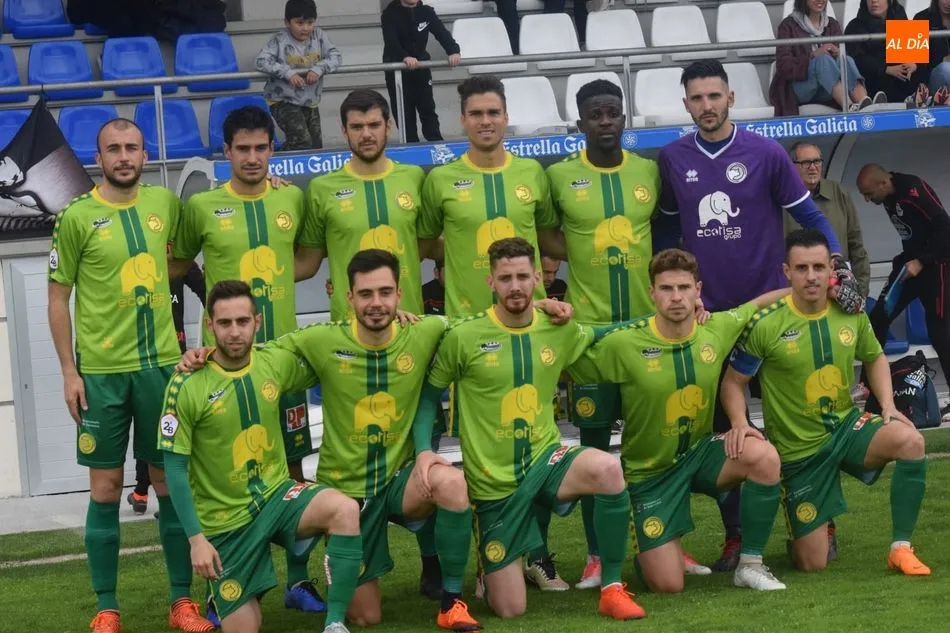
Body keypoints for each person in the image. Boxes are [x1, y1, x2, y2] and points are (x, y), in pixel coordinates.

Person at [655, 59, 855, 573]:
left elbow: (809, 215)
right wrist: (678, 290)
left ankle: (817, 520)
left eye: (714, 96)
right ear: (686, 104)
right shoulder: (672, 158)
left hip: (773, 314)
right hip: (711, 321)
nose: (706, 106)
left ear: (730, 98)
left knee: (802, 422)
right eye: (697, 98)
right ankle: (737, 536)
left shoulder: (765, 153)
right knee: (728, 434)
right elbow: (666, 233)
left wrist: (836, 264)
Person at [412, 237, 646, 621]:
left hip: (545, 459)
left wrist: (666, 320)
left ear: (538, 278)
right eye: (505, 278)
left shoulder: (557, 328)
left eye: (523, 277)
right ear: (491, 282)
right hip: (494, 484)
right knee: (510, 609)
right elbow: (427, 397)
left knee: (608, 468)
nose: (515, 286)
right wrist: (424, 449)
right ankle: (491, 569)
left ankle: (612, 588)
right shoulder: (464, 336)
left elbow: (604, 332)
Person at [47, 118, 214, 633]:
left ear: (145, 154)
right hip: (100, 375)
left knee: (168, 483)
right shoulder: (76, 216)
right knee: (105, 488)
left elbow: (197, 246)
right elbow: (57, 298)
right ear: (98, 158)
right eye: (114, 148)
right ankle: (106, 608)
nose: (124, 156)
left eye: (132, 148)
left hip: (161, 368)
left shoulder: (165, 205)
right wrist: (69, 371)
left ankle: (181, 602)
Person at [545, 79, 711, 587]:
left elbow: (665, 230)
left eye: (612, 113)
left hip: (648, 332)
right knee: (595, 452)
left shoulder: (647, 171)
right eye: (595, 114)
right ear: (581, 123)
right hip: (590, 337)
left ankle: (670, 542)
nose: (605, 121)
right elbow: (546, 234)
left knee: (664, 444)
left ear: (624, 118)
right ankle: (597, 554)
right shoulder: (558, 176)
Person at [170, 105, 325, 618]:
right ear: (226, 151)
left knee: (294, 465)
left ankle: (298, 581)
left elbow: (308, 260)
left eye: (261, 148)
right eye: (243, 149)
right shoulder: (202, 206)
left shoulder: (291, 197)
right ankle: (225, 584)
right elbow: (176, 264)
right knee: (220, 470)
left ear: (272, 150)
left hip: (282, 359)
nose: (253, 157)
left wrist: (272, 274)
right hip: (223, 364)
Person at [570, 248, 793, 593]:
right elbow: (566, 357)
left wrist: (823, 286)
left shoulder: (716, 328)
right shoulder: (623, 344)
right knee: (667, 584)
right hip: (651, 473)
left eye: (684, 287)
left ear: (697, 290)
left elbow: (758, 304)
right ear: (652, 293)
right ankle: (654, 552)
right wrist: (547, 314)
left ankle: (750, 564)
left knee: (763, 455)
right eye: (666, 288)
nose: (676, 297)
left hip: (701, 455)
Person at [419, 75, 565, 590]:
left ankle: (538, 555)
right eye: (476, 113)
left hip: (530, 329)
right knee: (484, 458)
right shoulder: (440, 180)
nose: (485, 121)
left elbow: (549, 237)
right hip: (471, 335)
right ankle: (494, 555)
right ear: (463, 119)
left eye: (493, 112)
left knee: (535, 443)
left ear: (506, 117)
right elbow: (427, 243)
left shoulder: (532, 174)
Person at [722, 229, 931, 576]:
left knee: (911, 441)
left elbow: (875, 357)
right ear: (787, 272)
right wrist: (740, 423)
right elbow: (733, 382)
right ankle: (813, 526)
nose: (811, 276)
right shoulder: (766, 322)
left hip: (846, 429)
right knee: (812, 563)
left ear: (831, 270)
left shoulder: (850, 312)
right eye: (801, 268)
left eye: (818, 267)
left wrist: (888, 405)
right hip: (799, 451)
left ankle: (901, 549)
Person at [161, 280, 363, 633]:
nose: (234, 332)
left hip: (277, 496)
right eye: (224, 323)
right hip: (227, 523)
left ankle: (334, 624)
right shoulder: (186, 384)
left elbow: (333, 349)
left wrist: (394, 321)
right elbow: (174, 469)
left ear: (257, 322)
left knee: (344, 509)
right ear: (210, 325)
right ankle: (225, 596)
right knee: (245, 628)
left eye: (243, 321)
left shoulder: (273, 361)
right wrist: (196, 540)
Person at [305, 89, 442, 323]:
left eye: (374, 125)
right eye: (357, 127)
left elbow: (425, 245)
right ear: (344, 131)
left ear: (388, 126)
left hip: (410, 321)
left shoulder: (415, 177)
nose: (366, 134)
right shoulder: (321, 188)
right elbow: (307, 261)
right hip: (349, 325)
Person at [855, 164, 950, 419]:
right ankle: (868, 386)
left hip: (936, 268)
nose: (867, 199)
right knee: (879, 317)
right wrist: (908, 260)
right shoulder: (887, 197)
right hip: (909, 268)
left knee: (939, 333)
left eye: (868, 193)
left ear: (882, 184)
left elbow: (945, 228)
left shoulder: (913, 190)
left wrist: (923, 260)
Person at [255, 0, 342, 151]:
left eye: (310, 23)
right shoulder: (279, 40)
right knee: (302, 141)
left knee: (315, 146)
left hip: (310, 101)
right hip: (283, 101)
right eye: (299, 23)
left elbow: (336, 57)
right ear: (287, 22)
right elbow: (261, 61)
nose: (305, 28)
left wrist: (319, 69)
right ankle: (270, 161)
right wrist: (287, 73)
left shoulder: (319, 36)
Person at [786, 143, 870, 298]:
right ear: (792, 166)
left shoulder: (839, 192)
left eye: (817, 161)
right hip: (796, 294)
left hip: (837, 290)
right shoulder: (782, 198)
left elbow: (857, 247)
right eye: (806, 163)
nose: (813, 167)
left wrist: (860, 292)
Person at [770, 0, 881, 116]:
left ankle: (866, 104)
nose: (875, 1)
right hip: (801, 85)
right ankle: (850, 107)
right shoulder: (788, 26)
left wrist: (838, 53)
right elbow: (783, 66)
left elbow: (894, 64)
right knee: (825, 59)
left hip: (828, 88)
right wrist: (813, 55)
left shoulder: (893, 21)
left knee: (844, 59)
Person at [381, 0, 461, 143]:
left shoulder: (426, 11)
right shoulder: (389, 14)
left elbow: (441, 33)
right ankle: (410, 145)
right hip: (397, 71)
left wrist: (453, 50)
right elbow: (391, 41)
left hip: (421, 68)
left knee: (428, 108)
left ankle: (436, 143)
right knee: (404, 112)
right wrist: (404, 57)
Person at [845, 0, 931, 107]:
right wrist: (886, 69)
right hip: (874, 78)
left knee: (919, 72)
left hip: (902, 77)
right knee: (882, 79)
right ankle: (908, 100)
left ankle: (921, 98)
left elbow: (916, 55)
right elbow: (856, 60)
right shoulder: (855, 26)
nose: (874, 1)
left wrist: (914, 65)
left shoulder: (900, 19)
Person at [915, 0, 950, 98]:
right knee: (945, 69)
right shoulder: (921, 18)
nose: (948, 3)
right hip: (929, 78)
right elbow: (914, 62)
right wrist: (942, 59)